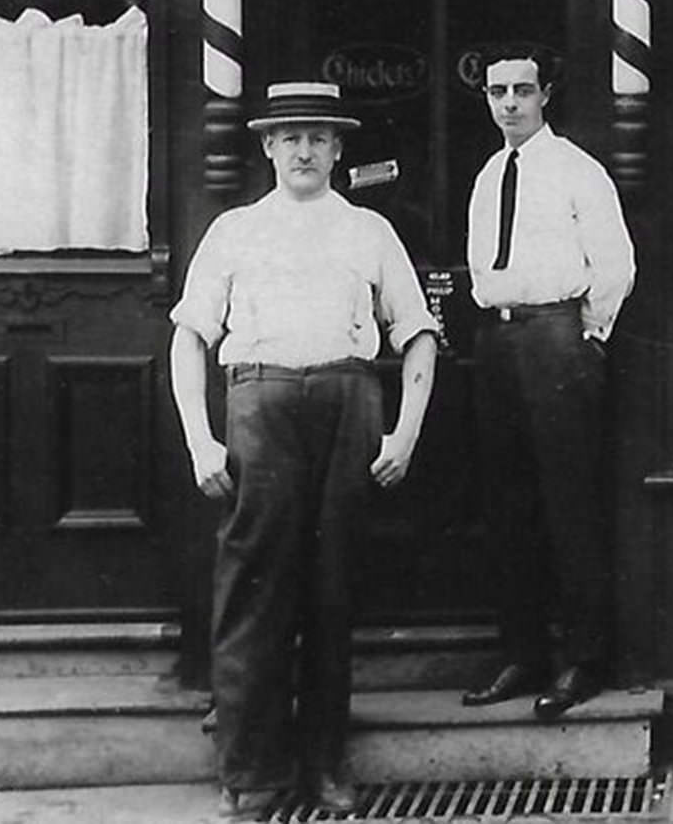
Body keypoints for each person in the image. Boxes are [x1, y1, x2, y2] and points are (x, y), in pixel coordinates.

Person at [168, 82, 439, 818]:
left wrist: (405, 431)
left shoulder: (368, 232)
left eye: (318, 137)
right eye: (290, 137)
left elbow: (416, 332)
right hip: (260, 401)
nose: (304, 150)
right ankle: (254, 770)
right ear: (266, 146)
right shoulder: (235, 230)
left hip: (349, 403)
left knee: (332, 588)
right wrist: (201, 438)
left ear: (339, 146)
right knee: (255, 588)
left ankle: (324, 763)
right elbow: (190, 336)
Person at [460, 46, 635, 720]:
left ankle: (583, 658)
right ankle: (522, 651)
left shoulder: (577, 171)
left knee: (570, 500)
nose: (509, 102)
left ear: (546, 94)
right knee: (508, 502)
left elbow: (616, 265)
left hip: (559, 337)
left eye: (522, 90)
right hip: (498, 341)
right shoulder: (486, 175)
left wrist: (584, 338)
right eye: (498, 91)